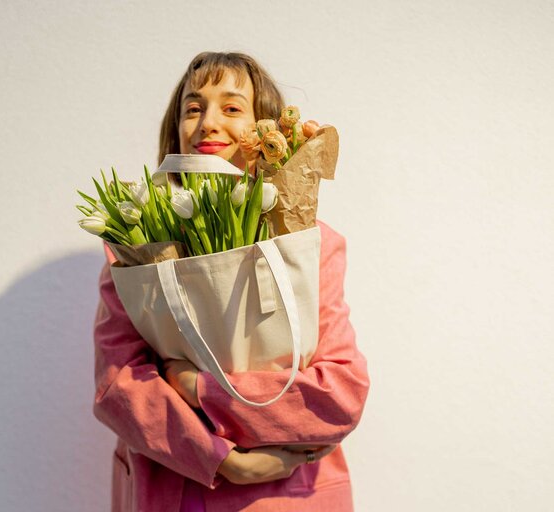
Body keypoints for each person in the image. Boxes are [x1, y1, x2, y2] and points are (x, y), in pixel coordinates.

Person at [92, 52, 370, 512]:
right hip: (173, 491)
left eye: (233, 107)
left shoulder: (311, 246)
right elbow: (118, 387)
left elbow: (340, 393)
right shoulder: (134, 247)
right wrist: (222, 461)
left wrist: (199, 389)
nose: (208, 124)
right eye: (194, 108)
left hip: (288, 495)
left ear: (268, 132)